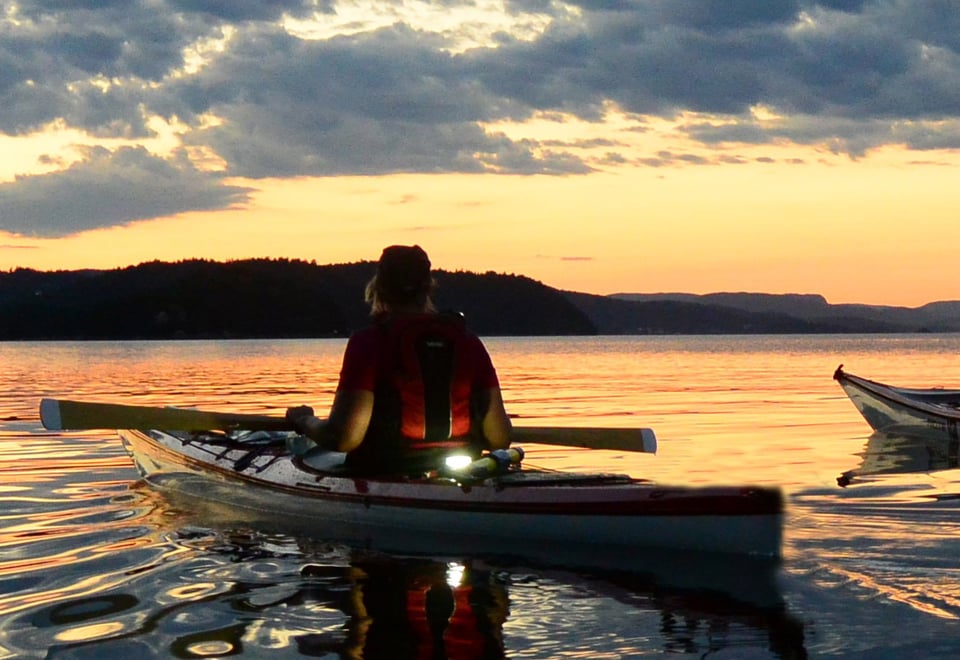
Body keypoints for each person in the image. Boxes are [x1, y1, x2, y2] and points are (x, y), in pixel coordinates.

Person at [286, 245, 512, 474]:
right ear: (428, 288)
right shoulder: (468, 342)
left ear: (379, 288)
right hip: (464, 472)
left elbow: (343, 438)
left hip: (385, 472)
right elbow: (499, 437)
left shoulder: (369, 343)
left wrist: (304, 421)